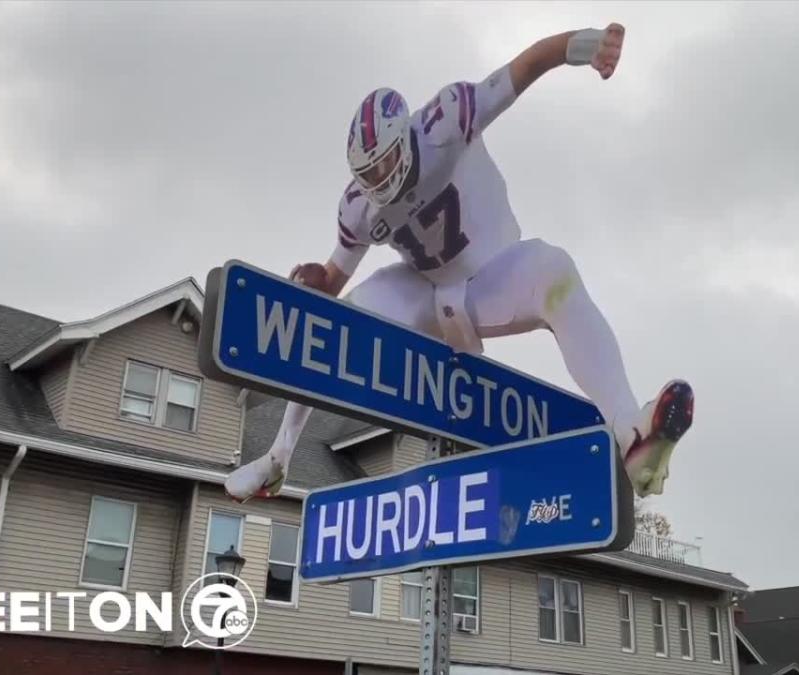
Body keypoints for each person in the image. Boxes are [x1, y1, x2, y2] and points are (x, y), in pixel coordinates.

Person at [226, 23, 694, 502]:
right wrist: (311, 283)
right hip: (426, 292)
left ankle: (628, 433)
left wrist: (589, 45)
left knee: (554, 270)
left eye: (385, 165)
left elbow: (526, 66)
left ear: (405, 139)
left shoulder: (446, 120)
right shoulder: (358, 205)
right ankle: (278, 457)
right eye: (368, 174)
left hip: (491, 277)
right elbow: (333, 277)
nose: (380, 180)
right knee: (330, 323)